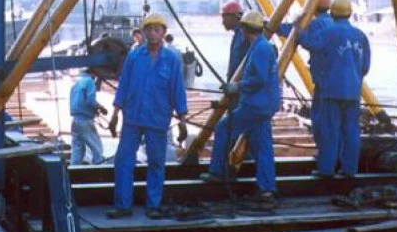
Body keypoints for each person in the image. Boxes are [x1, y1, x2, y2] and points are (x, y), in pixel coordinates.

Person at [107, 13, 189, 219]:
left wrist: (182, 121)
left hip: (157, 119)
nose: (153, 34)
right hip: (132, 118)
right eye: (149, 30)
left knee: (156, 162)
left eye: (157, 30)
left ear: (163, 33)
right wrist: (115, 113)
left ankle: (153, 205)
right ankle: (123, 205)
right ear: (143, 33)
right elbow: (124, 85)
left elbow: (178, 89)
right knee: (123, 161)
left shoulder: (171, 59)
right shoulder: (134, 57)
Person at [201, 11, 279, 205]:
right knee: (263, 147)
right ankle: (267, 190)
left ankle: (217, 172)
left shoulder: (259, 49)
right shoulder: (261, 46)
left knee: (223, 128)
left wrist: (237, 87)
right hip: (264, 105)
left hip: (255, 105)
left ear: (244, 29)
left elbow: (259, 79)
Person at [298, 0, 370, 177]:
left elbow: (310, 43)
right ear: (350, 13)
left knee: (330, 131)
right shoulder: (360, 36)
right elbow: (365, 66)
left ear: (332, 13)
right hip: (353, 92)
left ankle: (326, 170)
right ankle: (349, 170)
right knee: (351, 131)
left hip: (331, 90)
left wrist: (297, 28)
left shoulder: (329, 33)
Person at [69, 69, 108, 165]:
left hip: (75, 120)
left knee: (77, 149)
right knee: (96, 146)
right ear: (93, 73)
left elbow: (80, 101)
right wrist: (101, 108)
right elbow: (90, 100)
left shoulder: (76, 83)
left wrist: (94, 110)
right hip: (85, 120)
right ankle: (98, 166)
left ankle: (74, 169)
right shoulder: (89, 82)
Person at [221, 1, 249, 80]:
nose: (223, 22)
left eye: (224, 18)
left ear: (233, 17)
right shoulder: (238, 36)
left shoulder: (244, 36)